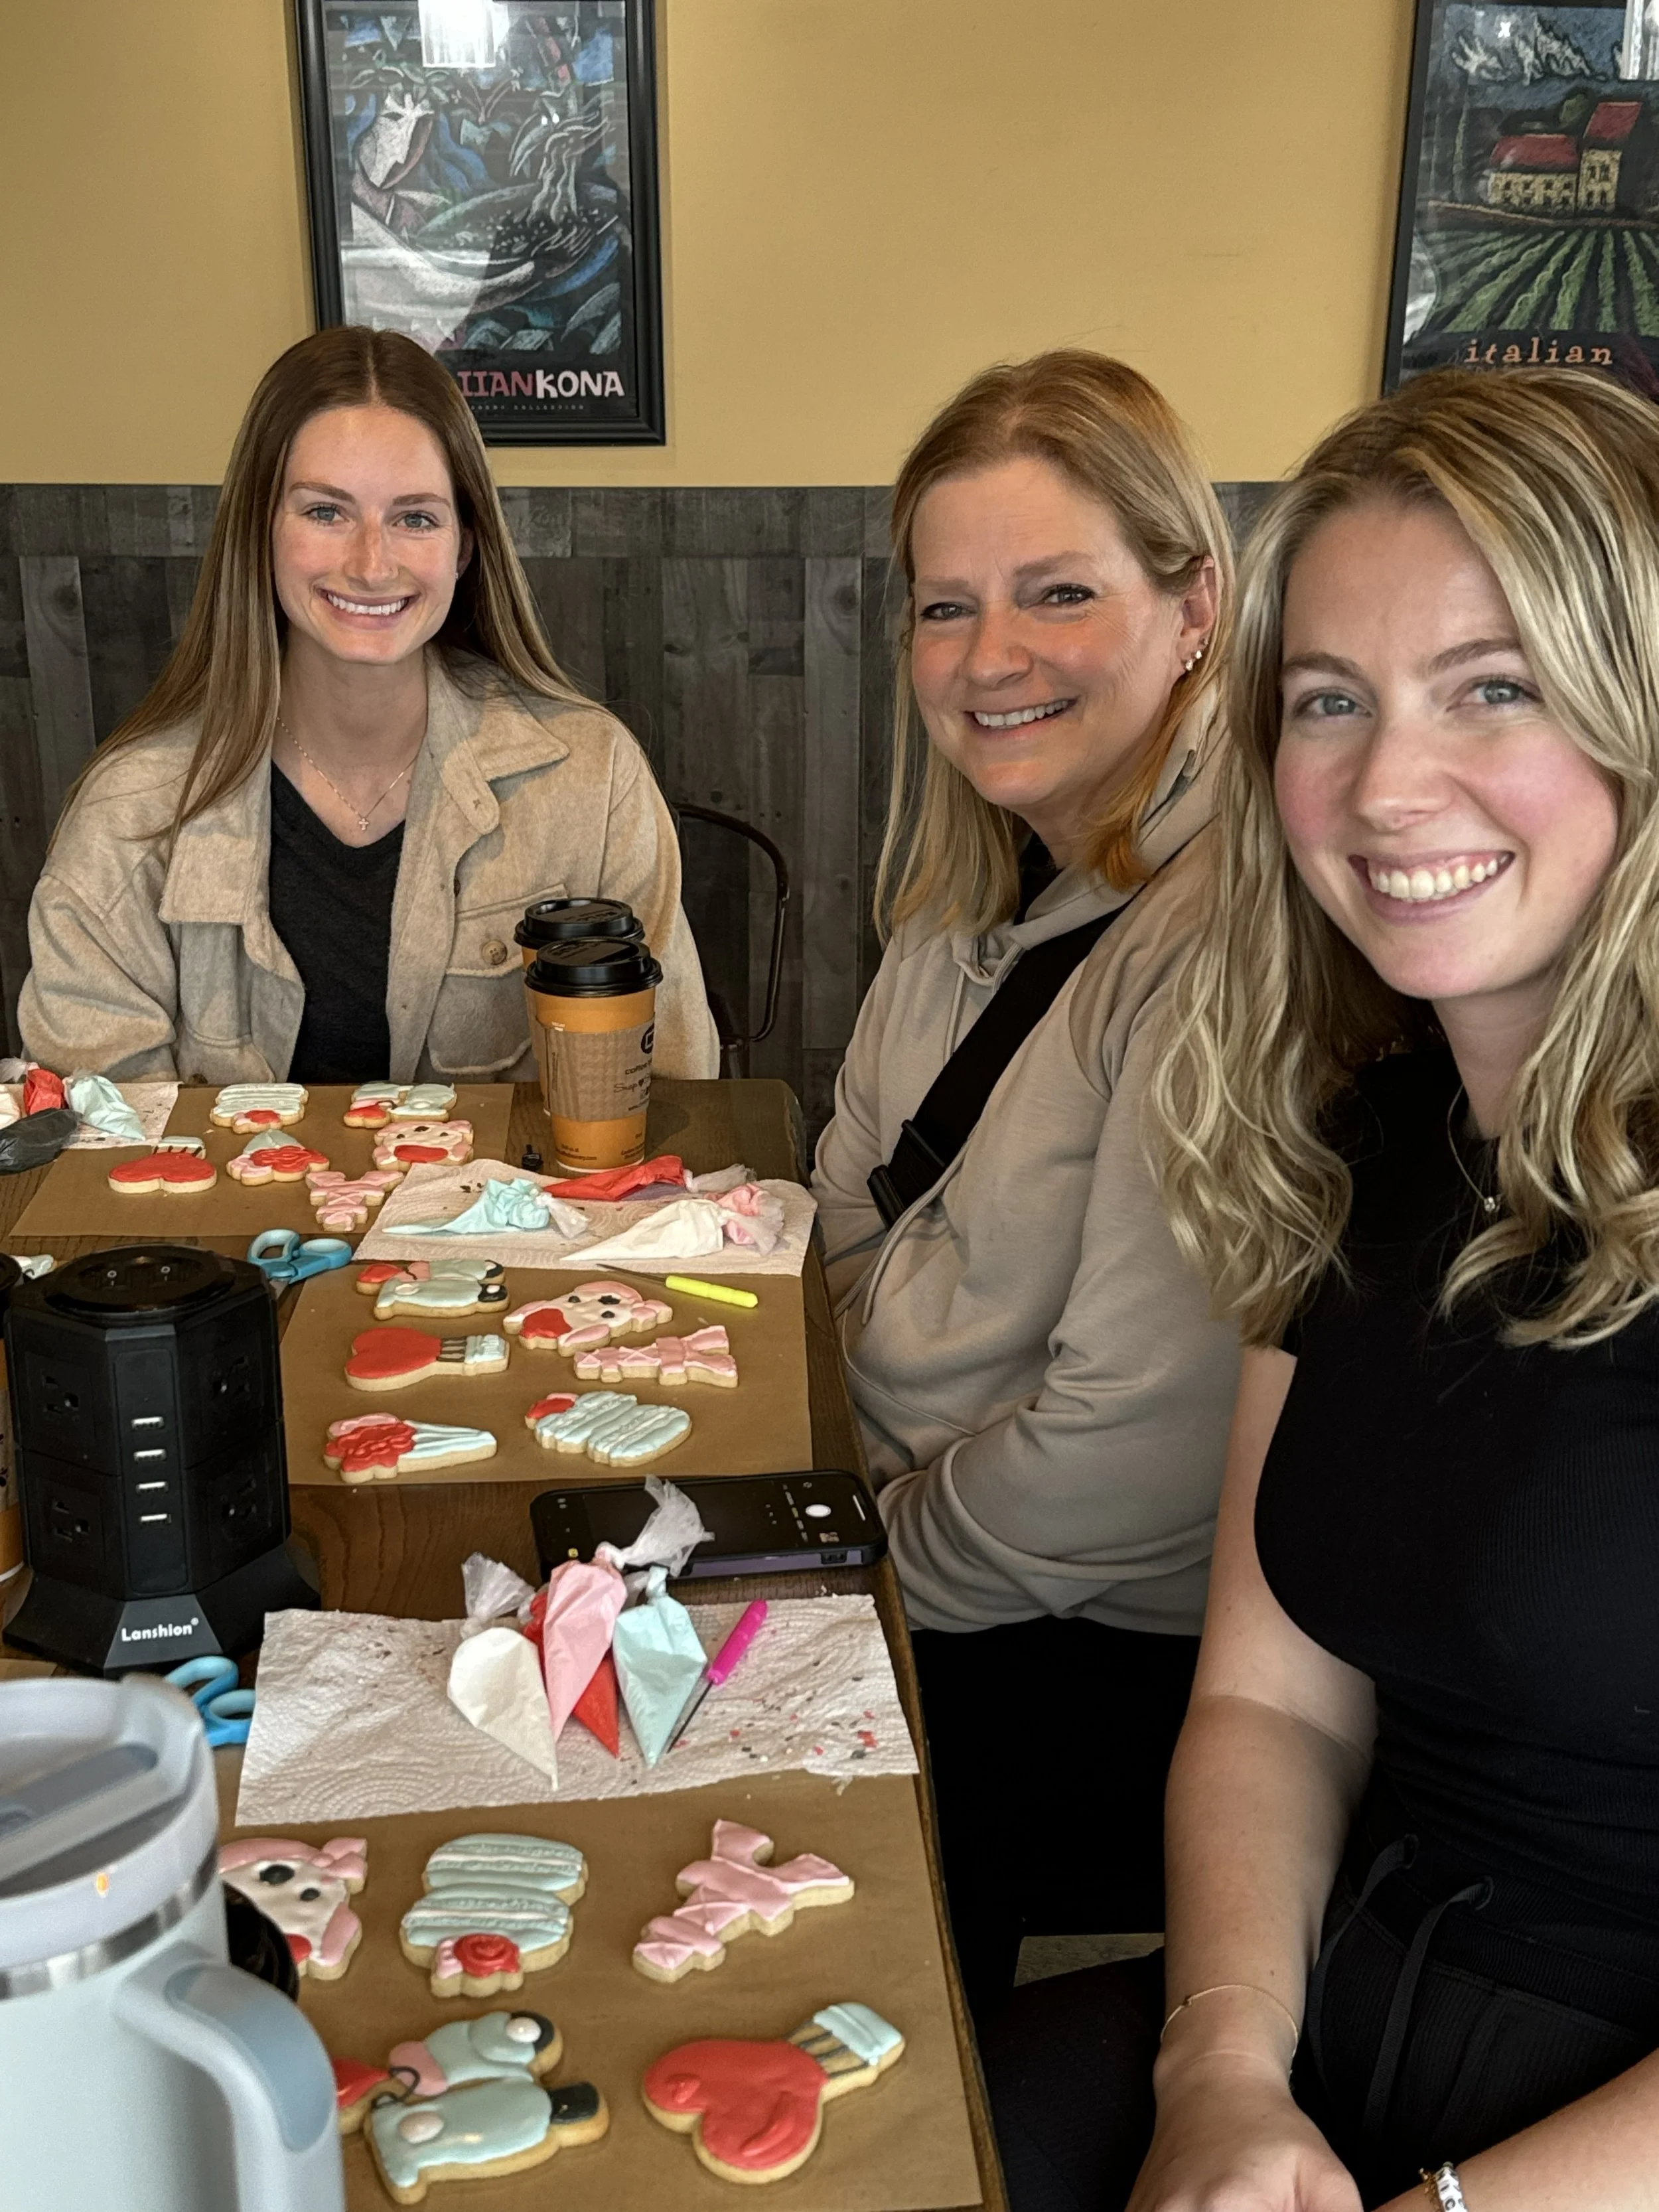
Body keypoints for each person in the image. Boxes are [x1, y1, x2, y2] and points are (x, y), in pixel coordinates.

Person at [982, 365, 1659, 2212]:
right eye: (1327, 703)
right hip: (1323, 2015)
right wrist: (1216, 2072)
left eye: (1490, 687)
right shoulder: (1356, 1131)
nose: (1379, 785)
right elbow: (1271, 1703)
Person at [811, 351, 1243, 2020]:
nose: (988, 659)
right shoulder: (967, 877)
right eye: (944, 608)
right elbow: (847, 1190)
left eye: (1057, 595)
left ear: (1193, 602)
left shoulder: (1219, 942)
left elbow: (1126, 1462)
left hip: (1099, 1646)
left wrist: (856, 1562)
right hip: (908, 1518)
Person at [19, 327, 716, 1086]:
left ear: (463, 547)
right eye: (326, 512)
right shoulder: (131, 811)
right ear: (260, 531)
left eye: (415, 517)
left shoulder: (591, 777)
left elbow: (666, 1097)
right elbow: (97, 1160)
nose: (371, 564)